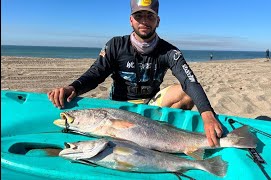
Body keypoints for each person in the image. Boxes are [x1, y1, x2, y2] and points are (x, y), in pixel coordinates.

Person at [47, 0, 223, 147]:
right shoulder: (116, 45)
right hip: (119, 108)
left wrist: (207, 114)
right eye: (139, 16)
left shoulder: (170, 51)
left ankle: (163, 138)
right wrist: (73, 88)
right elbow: (96, 73)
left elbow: (189, 81)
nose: (144, 21)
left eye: (150, 16)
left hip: (150, 107)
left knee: (184, 92)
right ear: (131, 20)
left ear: (158, 21)